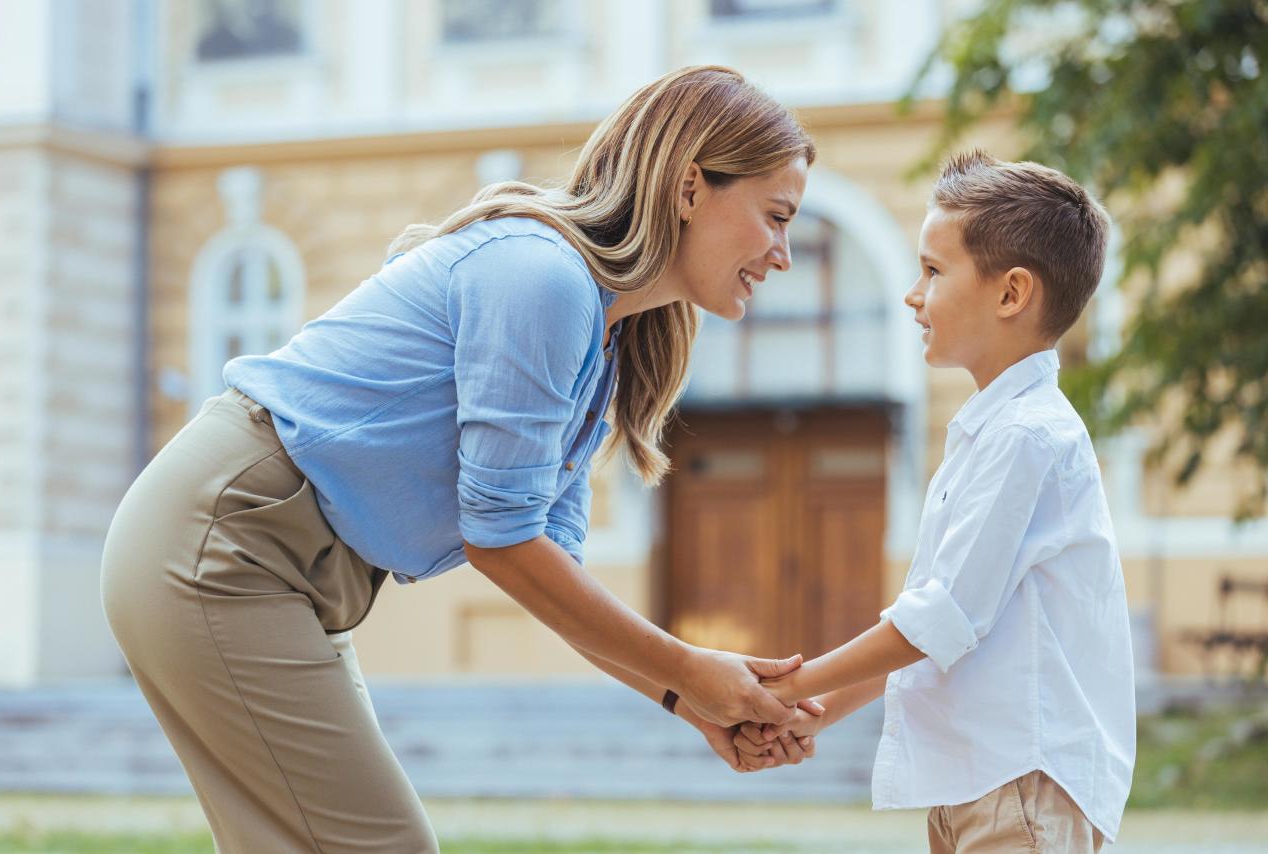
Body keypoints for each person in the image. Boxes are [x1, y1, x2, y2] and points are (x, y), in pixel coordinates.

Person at [101, 66, 818, 853]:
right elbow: (500, 540)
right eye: (776, 215)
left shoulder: (600, 341)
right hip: (225, 542)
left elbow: (551, 568)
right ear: (690, 186)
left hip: (276, 562)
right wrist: (689, 668)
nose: (783, 253)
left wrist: (693, 699)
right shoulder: (541, 278)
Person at [734, 151, 1136, 852]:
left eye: (932, 270)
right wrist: (818, 710)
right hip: (977, 782)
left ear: (1011, 294)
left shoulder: (1027, 436)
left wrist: (787, 686)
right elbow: (933, 632)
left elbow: (938, 621)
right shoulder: (989, 433)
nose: (912, 295)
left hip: (1023, 782)